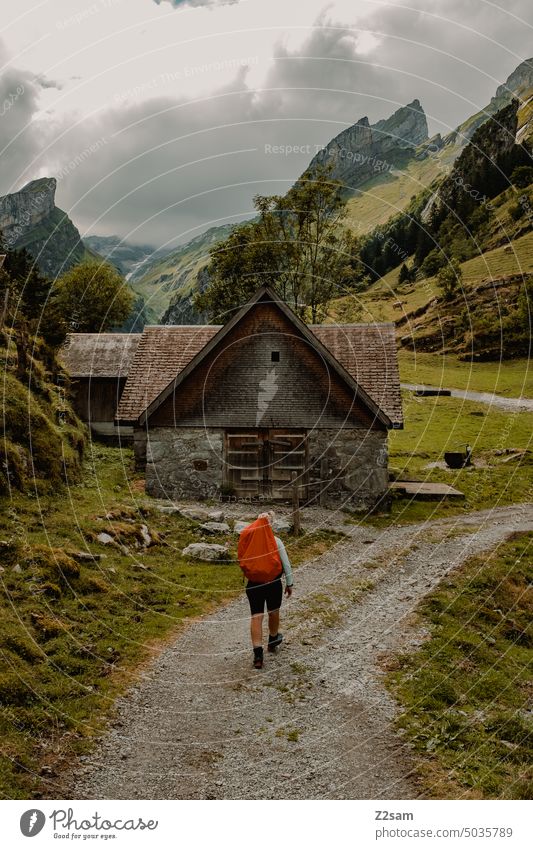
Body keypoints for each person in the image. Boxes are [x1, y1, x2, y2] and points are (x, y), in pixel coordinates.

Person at [238, 511, 294, 669]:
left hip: (254, 584)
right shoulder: (276, 541)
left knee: (256, 616)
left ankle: (258, 655)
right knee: (273, 612)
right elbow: (286, 564)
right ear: (271, 525)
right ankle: (273, 640)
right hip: (273, 583)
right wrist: (290, 583)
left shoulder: (249, 540)